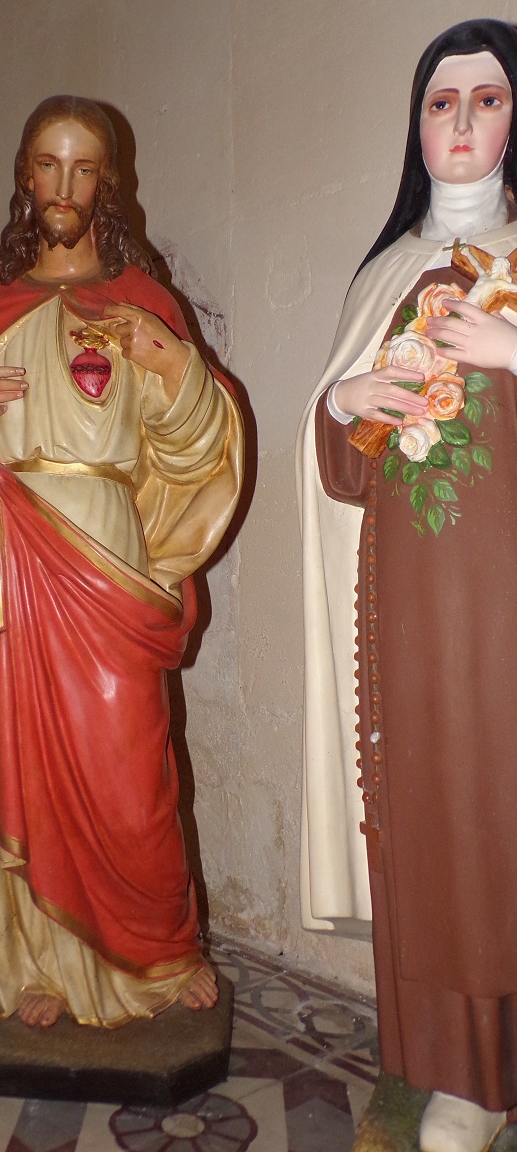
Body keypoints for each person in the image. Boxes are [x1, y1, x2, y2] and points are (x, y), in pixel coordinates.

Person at [0, 96, 243, 1029]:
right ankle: (35, 960)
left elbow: (199, 454)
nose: (65, 187)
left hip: (111, 559)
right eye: (48, 165)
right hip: (8, 562)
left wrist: (175, 368)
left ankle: (158, 951)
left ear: (107, 182)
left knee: (132, 768)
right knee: (24, 762)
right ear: (25, 176)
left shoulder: (146, 305)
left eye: (85, 168)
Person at [299, 21, 517, 1152]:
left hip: (509, 614)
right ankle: (451, 1066)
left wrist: (512, 354)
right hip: (410, 615)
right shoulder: (386, 273)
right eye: (443, 102)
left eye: (489, 98)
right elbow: (337, 472)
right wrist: (343, 407)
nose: (466, 121)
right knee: (434, 831)